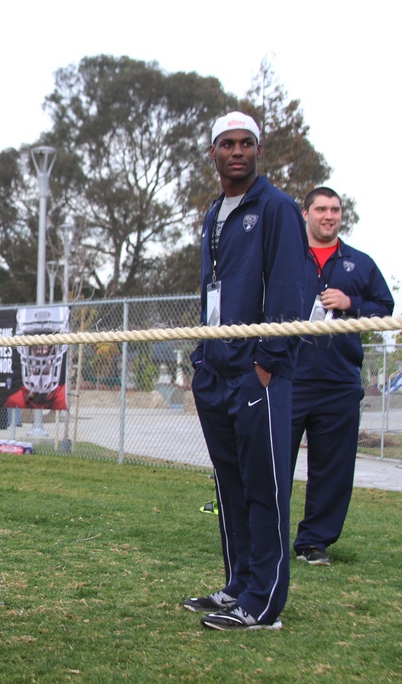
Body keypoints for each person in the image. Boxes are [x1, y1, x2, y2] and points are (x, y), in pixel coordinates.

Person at [185, 112, 307, 631]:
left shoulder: (276, 208)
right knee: (229, 485)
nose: (237, 152)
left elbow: (288, 290)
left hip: (256, 372)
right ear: (212, 152)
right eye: (227, 144)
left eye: (246, 144)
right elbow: (212, 290)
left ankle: (264, 604)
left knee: (265, 485)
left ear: (258, 150)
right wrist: (200, 359)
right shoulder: (216, 212)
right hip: (216, 368)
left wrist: (267, 362)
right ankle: (238, 584)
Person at [290, 186, 394, 566]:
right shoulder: (286, 258)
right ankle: (262, 539)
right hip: (289, 378)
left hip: (339, 382)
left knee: (332, 468)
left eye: (334, 209)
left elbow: (385, 308)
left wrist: (353, 304)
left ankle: (314, 543)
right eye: (321, 209)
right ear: (305, 213)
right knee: (270, 463)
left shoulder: (360, 264)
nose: (328, 215)